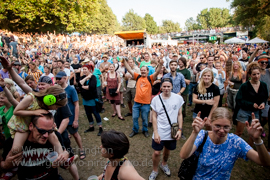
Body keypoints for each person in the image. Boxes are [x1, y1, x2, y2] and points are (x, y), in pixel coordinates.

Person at [180, 108, 270, 180]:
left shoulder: (235, 142)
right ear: (210, 123)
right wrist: (194, 133)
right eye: (218, 126)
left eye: (226, 127)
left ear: (231, 125)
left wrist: (257, 139)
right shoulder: (202, 135)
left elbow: (265, 162)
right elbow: (184, 155)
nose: (222, 131)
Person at [1, 113, 70, 180]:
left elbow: (64, 155)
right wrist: (6, 165)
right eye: (41, 131)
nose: (46, 135)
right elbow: (3, 166)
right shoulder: (13, 143)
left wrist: (65, 155)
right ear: (31, 126)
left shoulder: (55, 137)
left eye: (49, 131)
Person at [149, 78, 184, 180]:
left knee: (167, 151)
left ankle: (164, 164)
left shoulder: (178, 98)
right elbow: (154, 117)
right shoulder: (156, 99)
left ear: (172, 87)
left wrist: (180, 129)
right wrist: (155, 132)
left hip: (172, 131)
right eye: (164, 86)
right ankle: (154, 170)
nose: (166, 88)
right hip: (160, 130)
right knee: (156, 152)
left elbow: (180, 114)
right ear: (161, 87)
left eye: (168, 86)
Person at [124, 57, 163, 138]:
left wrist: (161, 64)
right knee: (135, 117)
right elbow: (129, 70)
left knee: (145, 118)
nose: (143, 71)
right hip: (136, 103)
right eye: (142, 70)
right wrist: (125, 62)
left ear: (148, 71)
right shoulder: (137, 77)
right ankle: (135, 130)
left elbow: (157, 72)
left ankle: (145, 130)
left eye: (144, 70)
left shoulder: (150, 78)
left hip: (146, 103)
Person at [235, 62, 268, 144]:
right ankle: (234, 148)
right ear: (249, 75)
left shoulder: (263, 85)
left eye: (258, 74)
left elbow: (265, 97)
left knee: (253, 134)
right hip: (244, 112)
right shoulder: (245, 86)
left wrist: (263, 103)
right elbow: (238, 100)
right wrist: (251, 104)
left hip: (256, 113)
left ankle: (248, 150)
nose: (256, 76)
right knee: (239, 132)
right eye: (254, 74)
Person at [79, 65, 103, 135]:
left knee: (95, 113)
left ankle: (100, 127)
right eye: (83, 69)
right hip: (85, 99)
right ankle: (91, 126)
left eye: (85, 69)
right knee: (88, 113)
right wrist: (86, 78)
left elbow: (92, 87)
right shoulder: (83, 77)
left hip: (92, 98)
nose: (84, 71)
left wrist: (83, 86)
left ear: (89, 70)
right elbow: (79, 85)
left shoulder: (93, 77)